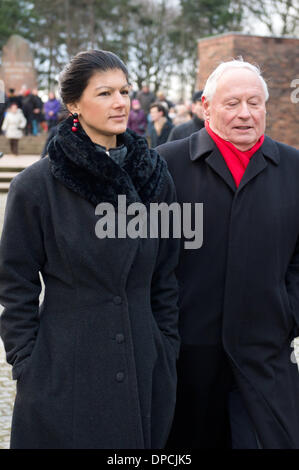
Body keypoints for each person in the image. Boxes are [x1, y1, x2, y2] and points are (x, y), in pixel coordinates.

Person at [0, 49, 180, 449]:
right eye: (104, 93)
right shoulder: (37, 186)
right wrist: (27, 363)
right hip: (63, 367)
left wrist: (165, 347)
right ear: (73, 104)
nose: (120, 102)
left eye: (124, 91)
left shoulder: (155, 177)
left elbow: (166, 274)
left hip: (143, 362)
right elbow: (16, 285)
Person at [157, 59, 299, 449]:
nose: (245, 114)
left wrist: (287, 314)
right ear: (206, 107)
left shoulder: (294, 168)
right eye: (232, 102)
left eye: (255, 103)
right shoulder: (165, 166)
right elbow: (147, 259)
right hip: (187, 358)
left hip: (266, 353)